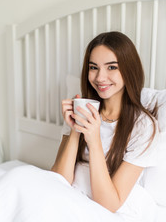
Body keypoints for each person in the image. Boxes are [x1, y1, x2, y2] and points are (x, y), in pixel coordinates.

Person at [51, 31, 159, 218]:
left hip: (101, 206)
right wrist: (75, 129)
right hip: (67, 196)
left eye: (111, 68)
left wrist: (94, 141)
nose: (100, 77)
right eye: (94, 67)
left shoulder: (143, 127)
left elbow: (108, 204)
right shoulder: (83, 109)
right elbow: (58, 180)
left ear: (129, 70)